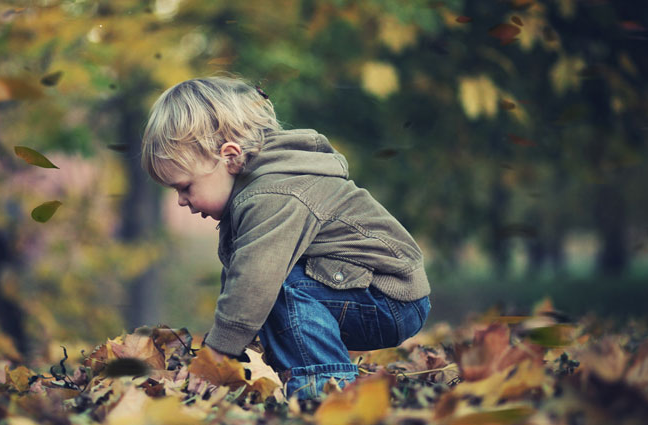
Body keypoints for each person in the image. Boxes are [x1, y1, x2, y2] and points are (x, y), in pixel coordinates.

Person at [141, 76, 431, 399]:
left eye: (185, 186)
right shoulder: (252, 193)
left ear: (229, 156)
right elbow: (237, 285)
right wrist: (224, 353)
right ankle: (295, 377)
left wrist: (214, 358)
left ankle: (325, 391)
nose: (181, 200)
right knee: (266, 288)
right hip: (365, 289)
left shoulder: (272, 194)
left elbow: (252, 286)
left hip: (389, 297)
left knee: (274, 285)